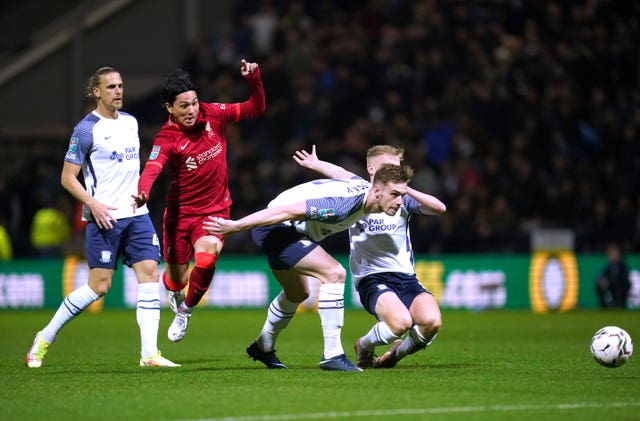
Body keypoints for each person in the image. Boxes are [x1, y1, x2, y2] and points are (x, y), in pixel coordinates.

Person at [26, 66, 178, 368]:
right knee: (100, 286)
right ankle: (44, 337)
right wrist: (92, 205)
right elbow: (68, 178)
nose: (118, 91)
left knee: (149, 272)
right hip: (104, 216)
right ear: (96, 91)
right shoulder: (85, 129)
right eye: (111, 87)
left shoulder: (131, 123)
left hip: (137, 214)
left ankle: (150, 354)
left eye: (120, 85)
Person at [204, 163, 414, 371]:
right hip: (276, 228)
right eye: (395, 194)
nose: (399, 201)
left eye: (402, 195)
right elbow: (285, 211)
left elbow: (342, 173)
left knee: (297, 293)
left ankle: (263, 346)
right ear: (377, 191)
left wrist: (317, 164)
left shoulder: (364, 187)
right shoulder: (344, 205)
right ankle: (332, 354)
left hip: (289, 231)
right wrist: (236, 226)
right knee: (334, 273)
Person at [133, 59, 265, 342]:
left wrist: (254, 78)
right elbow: (152, 168)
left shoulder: (213, 113)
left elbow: (256, 107)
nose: (192, 110)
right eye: (184, 106)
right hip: (180, 216)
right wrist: (144, 191)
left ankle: (185, 311)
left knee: (205, 261)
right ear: (170, 108)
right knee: (176, 278)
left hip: (215, 212)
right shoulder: (166, 138)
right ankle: (175, 290)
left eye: (194, 103)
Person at [293, 144, 446, 369]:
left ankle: (393, 356)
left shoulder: (401, 198)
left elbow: (439, 208)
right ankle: (364, 344)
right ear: (372, 170)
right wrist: (317, 165)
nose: (395, 170)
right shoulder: (359, 192)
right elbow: (341, 174)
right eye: (389, 166)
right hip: (371, 279)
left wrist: (402, 188)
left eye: (398, 166)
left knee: (431, 323)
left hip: (406, 277)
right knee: (400, 322)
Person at [596, 243, 631, 309]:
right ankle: (606, 305)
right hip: (611, 288)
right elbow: (602, 276)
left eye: (614, 253)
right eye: (611, 254)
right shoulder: (609, 266)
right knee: (600, 285)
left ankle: (617, 304)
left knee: (618, 288)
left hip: (620, 289)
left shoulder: (622, 266)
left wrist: (610, 282)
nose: (612, 255)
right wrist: (603, 281)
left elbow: (624, 281)